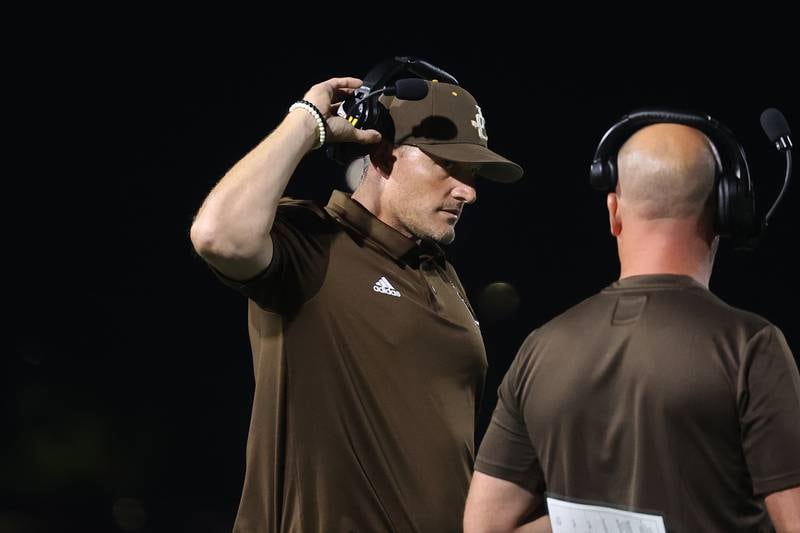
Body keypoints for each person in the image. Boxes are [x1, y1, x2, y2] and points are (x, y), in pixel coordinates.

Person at [190, 63, 523, 532]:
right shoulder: (311, 242)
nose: (467, 189)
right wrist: (307, 121)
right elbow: (218, 237)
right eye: (448, 164)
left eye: (473, 172)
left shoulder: (442, 273)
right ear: (383, 153)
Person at [463, 116, 800, 532]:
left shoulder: (540, 347)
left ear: (613, 211)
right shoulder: (753, 347)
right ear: (727, 211)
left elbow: (484, 527)